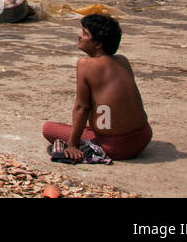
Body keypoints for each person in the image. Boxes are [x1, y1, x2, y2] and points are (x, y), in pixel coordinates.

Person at [42, 15, 152, 161]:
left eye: (85, 34)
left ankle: (81, 141)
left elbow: (82, 108)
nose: (79, 36)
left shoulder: (86, 65)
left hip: (116, 146)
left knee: (49, 128)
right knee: (98, 120)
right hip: (143, 137)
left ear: (98, 44)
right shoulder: (123, 61)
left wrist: (73, 145)